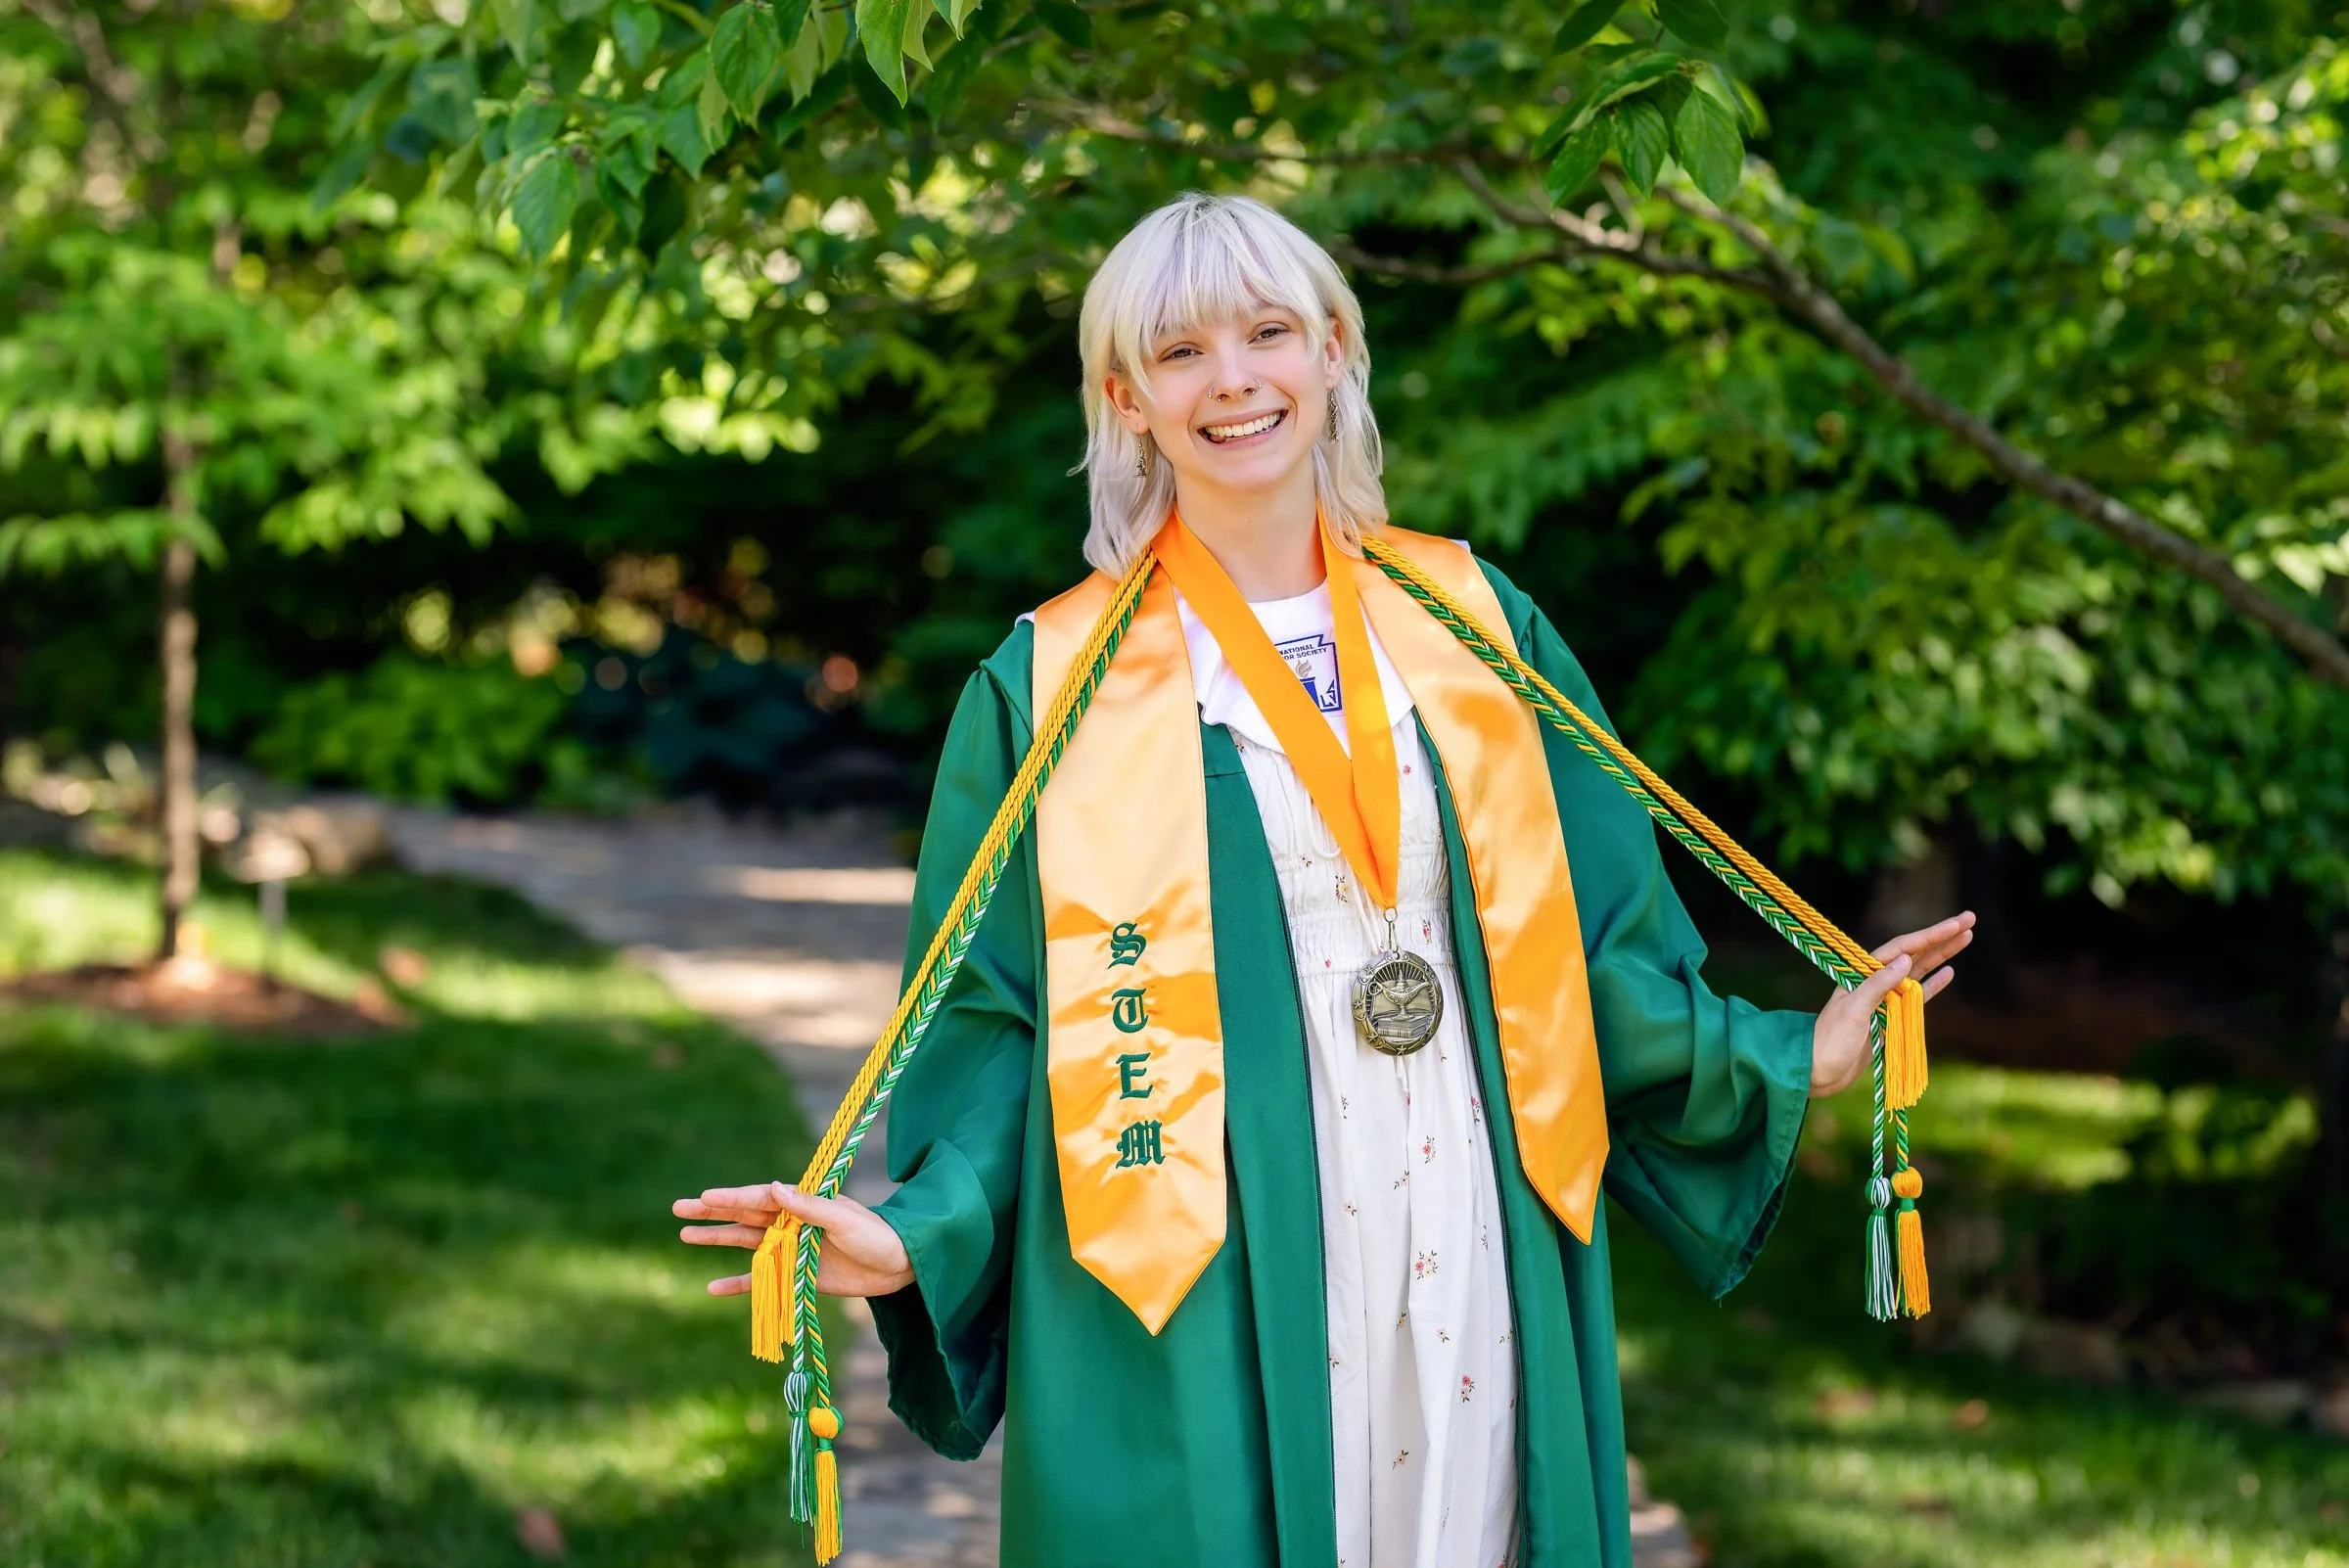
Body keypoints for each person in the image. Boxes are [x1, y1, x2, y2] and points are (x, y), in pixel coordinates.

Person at [675, 191, 1975, 1568]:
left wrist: (1795, 1057)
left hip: (1464, 1207)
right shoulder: (1053, 685)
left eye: (1269, 331)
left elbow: (1595, 952)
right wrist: (914, 1232)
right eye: (1179, 352)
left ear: (1336, 348)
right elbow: (1004, 1027)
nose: (1233, 378)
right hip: (1212, 1239)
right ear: (1125, 397)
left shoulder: (1476, 626)